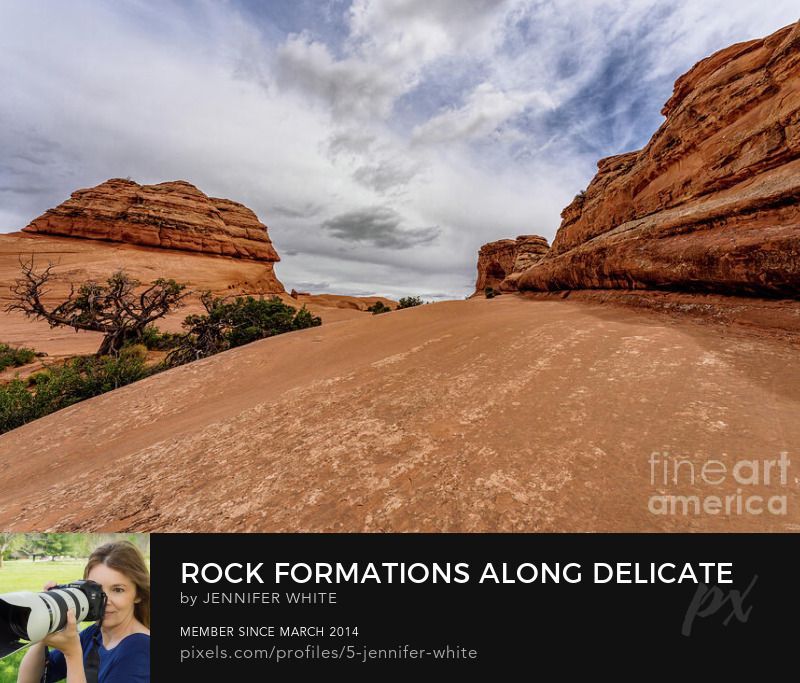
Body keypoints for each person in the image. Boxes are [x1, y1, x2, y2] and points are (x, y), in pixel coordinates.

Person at [17, 541, 150, 683]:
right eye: (96, 590)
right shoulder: (94, 635)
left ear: (138, 594)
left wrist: (72, 654)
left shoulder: (141, 649)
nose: (104, 601)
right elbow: (29, 680)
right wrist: (47, 623)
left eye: (118, 590)